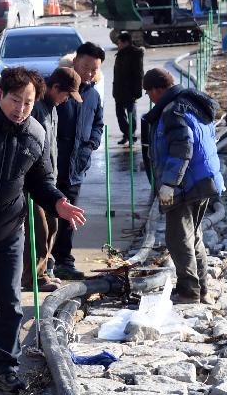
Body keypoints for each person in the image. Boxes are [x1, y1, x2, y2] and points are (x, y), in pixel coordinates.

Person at [0, 67, 86, 393]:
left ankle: (6, 366)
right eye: (14, 100)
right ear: (0, 95)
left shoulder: (35, 134)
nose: (20, 109)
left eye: (27, 102)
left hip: (10, 230)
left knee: (11, 302)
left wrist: (58, 204)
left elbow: (42, 182)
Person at [142, 68, 224, 305]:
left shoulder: (172, 111)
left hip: (185, 184)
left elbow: (182, 147)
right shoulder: (192, 104)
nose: (150, 99)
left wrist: (169, 184)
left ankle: (189, 292)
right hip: (203, 179)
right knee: (193, 237)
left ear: (157, 90)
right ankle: (202, 289)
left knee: (178, 238)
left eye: (149, 93)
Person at [23, 67, 82, 293]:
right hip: (35, 182)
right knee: (38, 229)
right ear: (55, 87)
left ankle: (46, 269)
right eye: (65, 95)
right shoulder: (36, 107)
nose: (66, 100)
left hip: (50, 181)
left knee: (53, 225)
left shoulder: (53, 109)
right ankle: (34, 277)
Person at [52, 42, 105, 281]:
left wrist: (91, 144)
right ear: (75, 63)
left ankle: (64, 260)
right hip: (53, 166)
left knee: (69, 216)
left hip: (76, 167)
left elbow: (98, 124)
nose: (89, 73)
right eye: (86, 67)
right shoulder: (58, 91)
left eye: (94, 69)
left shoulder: (93, 94)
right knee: (46, 217)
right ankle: (45, 262)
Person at [113, 32, 145, 145]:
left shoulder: (135, 54)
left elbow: (139, 73)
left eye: (119, 43)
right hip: (118, 90)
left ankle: (130, 134)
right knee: (120, 114)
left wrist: (138, 90)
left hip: (130, 90)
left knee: (131, 114)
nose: (118, 45)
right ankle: (127, 134)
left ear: (125, 42)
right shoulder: (120, 54)